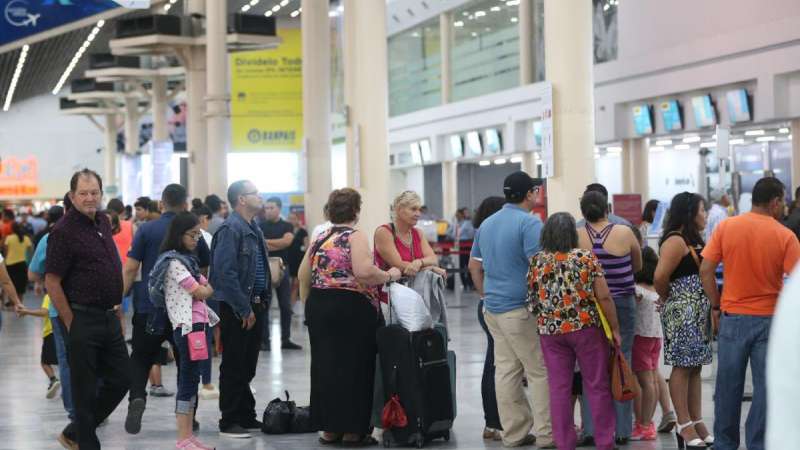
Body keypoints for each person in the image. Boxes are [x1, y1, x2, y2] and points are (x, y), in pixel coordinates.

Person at [700, 177, 800, 450]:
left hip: (732, 319)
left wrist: (716, 305)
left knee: (727, 390)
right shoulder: (785, 235)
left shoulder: (727, 227)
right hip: (770, 322)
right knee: (766, 389)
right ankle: (758, 443)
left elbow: (706, 270)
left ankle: (724, 444)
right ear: (775, 202)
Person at [298, 188, 402, 445]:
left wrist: (310, 305)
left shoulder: (320, 237)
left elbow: (303, 275)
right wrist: (390, 275)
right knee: (356, 367)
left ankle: (330, 429)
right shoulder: (355, 236)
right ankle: (354, 431)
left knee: (326, 367)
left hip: (320, 306)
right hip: (351, 308)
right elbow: (364, 271)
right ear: (356, 211)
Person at [45, 169, 130, 450]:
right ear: (72, 196)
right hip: (81, 318)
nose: (90, 198)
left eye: (94, 192)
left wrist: (117, 313)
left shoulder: (103, 221)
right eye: (83, 193)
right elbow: (52, 281)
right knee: (84, 389)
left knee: (122, 379)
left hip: (108, 316)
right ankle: (86, 442)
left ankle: (74, 432)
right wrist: (71, 322)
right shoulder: (63, 232)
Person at [468, 171, 554, 448]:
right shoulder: (530, 224)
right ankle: (546, 434)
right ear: (530, 194)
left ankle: (514, 433)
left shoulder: (487, 224)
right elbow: (539, 267)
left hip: (492, 308)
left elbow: (474, 266)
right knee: (538, 370)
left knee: (506, 370)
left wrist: (486, 294)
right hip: (520, 309)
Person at [123, 184, 212, 435]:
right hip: (183, 311)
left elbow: (130, 267)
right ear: (185, 204)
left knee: (140, 357)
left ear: (161, 204)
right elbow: (203, 268)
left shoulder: (145, 229)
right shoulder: (193, 230)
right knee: (187, 364)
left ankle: (137, 398)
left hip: (148, 306)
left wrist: (120, 298)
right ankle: (188, 417)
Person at [528, 212, 621, 450]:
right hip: (586, 329)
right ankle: (604, 441)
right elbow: (604, 296)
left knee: (559, 387)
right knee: (596, 384)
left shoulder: (537, 261)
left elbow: (532, 301)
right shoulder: (585, 258)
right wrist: (615, 328)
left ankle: (564, 443)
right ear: (572, 233)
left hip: (551, 332)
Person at [577, 190, 641, 445]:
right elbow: (637, 265)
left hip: (590, 304)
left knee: (591, 366)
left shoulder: (577, 235)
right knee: (622, 362)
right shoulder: (624, 231)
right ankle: (623, 430)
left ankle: (591, 429)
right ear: (608, 208)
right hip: (623, 303)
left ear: (583, 212)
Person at [152, 211, 219, 450]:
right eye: (192, 235)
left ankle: (189, 436)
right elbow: (201, 291)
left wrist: (207, 285)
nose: (196, 239)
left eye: (198, 235)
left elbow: (204, 284)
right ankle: (183, 439)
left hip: (197, 326)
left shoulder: (187, 261)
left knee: (192, 379)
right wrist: (209, 285)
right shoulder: (174, 263)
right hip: (187, 328)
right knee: (187, 383)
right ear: (179, 235)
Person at [209, 180, 271, 439]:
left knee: (248, 364)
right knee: (234, 363)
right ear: (242, 200)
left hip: (255, 304)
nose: (260, 196)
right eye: (255, 193)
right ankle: (229, 419)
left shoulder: (253, 227)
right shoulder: (230, 229)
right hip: (238, 307)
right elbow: (225, 273)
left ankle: (245, 414)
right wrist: (244, 309)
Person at [655, 192, 713, 450]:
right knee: (682, 366)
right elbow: (660, 276)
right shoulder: (675, 241)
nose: (705, 215)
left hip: (698, 310)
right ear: (690, 213)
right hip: (683, 310)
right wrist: (671, 299)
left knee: (696, 366)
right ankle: (683, 423)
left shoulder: (692, 239)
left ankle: (697, 419)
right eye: (703, 210)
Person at [27, 203, 75, 428]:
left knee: (66, 360)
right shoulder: (97, 233)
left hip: (57, 308)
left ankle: (74, 410)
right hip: (93, 309)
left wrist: (47, 282)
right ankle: (92, 406)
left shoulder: (48, 238)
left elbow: (33, 273)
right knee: (92, 358)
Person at [468, 196, 506, 440]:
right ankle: (500, 422)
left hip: (486, 305)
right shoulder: (496, 235)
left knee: (492, 363)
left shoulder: (481, 233)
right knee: (503, 366)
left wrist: (483, 294)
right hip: (501, 305)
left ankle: (491, 423)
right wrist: (486, 292)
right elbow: (474, 267)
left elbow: (474, 268)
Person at [259, 197, 302, 350]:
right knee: (265, 305)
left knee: (285, 305)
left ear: (279, 208)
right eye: (266, 208)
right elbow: (260, 244)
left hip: (283, 268)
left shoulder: (287, 225)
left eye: (271, 208)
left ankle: (285, 338)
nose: (268, 211)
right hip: (264, 268)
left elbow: (287, 242)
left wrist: (267, 242)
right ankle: (265, 340)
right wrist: (275, 242)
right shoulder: (260, 225)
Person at [630, 237, 662, 441]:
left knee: (644, 382)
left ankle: (644, 424)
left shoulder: (637, 291)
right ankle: (647, 422)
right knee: (652, 380)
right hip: (656, 338)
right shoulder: (656, 291)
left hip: (640, 337)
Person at [375, 191, 441, 282]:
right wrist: (430, 269)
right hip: (389, 291)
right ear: (399, 209)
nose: (418, 214)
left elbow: (434, 259)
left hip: (415, 291)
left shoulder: (418, 233)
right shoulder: (384, 232)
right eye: (413, 209)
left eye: (419, 210)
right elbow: (398, 265)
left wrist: (419, 262)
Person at [17, 295, 61, 399]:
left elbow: (45, 312)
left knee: (45, 362)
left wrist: (27, 311)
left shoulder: (49, 296)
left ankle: (53, 380)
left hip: (50, 332)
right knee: (64, 361)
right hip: (64, 331)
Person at [447, 207, 476, 290]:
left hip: (468, 245)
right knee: (460, 266)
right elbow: (450, 233)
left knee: (469, 265)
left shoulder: (467, 223)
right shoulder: (455, 223)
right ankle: (464, 284)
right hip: (459, 246)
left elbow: (471, 234)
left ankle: (471, 284)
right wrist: (453, 237)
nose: (456, 215)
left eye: (458, 214)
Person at [3, 221, 33, 296]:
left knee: (10, 284)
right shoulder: (26, 238)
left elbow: (5, 253)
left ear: (12, 229)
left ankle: (11, 302)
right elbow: (31, 250)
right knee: (20, 287)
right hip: (22, 264)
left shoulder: (9, 238)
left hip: (9, 264)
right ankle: (20, 304)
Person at [286, 212, 309, 306]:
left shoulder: (303, 231)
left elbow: (307, 245)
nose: (291, 220)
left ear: (297, 220)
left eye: (293, 218)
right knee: (287, 285)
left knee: (296, 284)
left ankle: (292, 305)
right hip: (287, 259)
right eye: (290, 218)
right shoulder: (285, 230)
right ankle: (286, 305)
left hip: (298, 259)